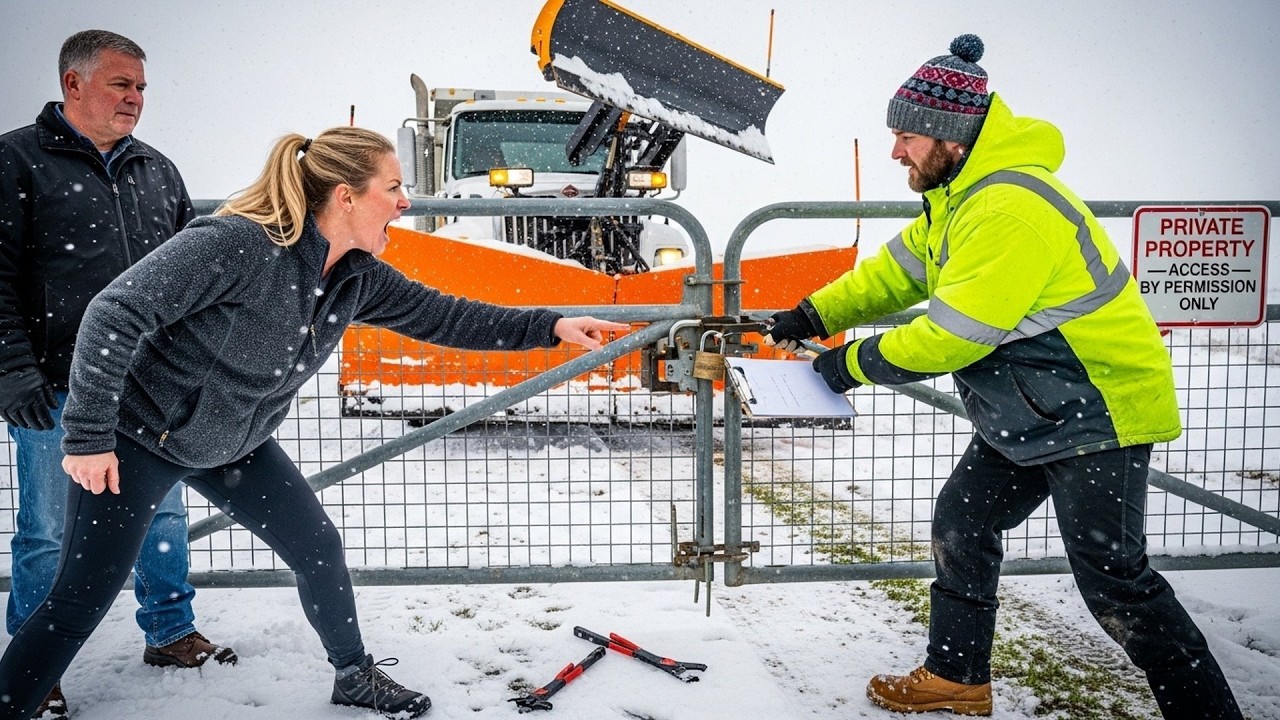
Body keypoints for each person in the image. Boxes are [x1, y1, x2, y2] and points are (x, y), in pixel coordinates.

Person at [0, 124, 628, 719]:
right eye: (394, 188)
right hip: (142, 437)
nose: (405, 203)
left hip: (233, 443)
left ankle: (353, 675)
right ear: (346, 195)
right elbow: (113, 313)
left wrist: (550, 326)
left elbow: (449, 317)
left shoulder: (355, 277)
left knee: (318, 549)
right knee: (80, 599)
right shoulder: (238, 244)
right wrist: (86, 438)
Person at [764, 35, 1242, 719]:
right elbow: (893, 275)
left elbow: (952, 336)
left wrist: (846, 364)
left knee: (1117, 585)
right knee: (962, 522)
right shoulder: (957, 198)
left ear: (950, 138)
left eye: (906, 137)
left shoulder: (1008, 209)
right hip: (1029, 410)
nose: (896, 150)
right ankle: (957, 678)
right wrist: (811, 313)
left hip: (1096, 408)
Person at [0, 29, 236, 718]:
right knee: (49, 526)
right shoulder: (15, 161)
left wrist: (196, 365)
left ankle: (169, 630)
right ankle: (35, 662)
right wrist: (13, 373)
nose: (134, 98)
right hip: (58, 387)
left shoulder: (156, 170)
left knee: (161, 513)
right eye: (120, 84)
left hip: (150, 388)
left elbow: (193, 277)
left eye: (140, 87)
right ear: (73, 84)